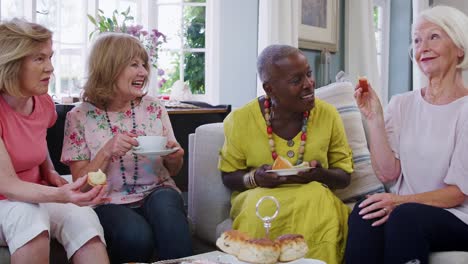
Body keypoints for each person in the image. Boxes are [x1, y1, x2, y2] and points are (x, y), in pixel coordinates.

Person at [345, 5, 468, 264]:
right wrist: (375, 119)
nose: (423, 46)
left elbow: (459, 192)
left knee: (406, 216)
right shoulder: (401, 104)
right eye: (416, 40)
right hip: (407, 209)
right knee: (364, 211)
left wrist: (399, 202)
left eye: (434, 36)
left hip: (458, 216)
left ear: (460, 48)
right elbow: (388, 175)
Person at [61, 32, 193, 263]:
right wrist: (106, 151)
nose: (143, 71)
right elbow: (80, 187)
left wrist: (175, 158)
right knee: (136, 236)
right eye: (133, 64)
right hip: (107, 201)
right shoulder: (79, 116)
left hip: (156, 190)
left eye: (143, 64)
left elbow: (172, 170)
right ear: (109, 68)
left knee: (168, 212)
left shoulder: (154, 108)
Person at [219, 44, 354, 264]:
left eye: (309, 74)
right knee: (259, 203)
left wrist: (318, 174)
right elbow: (229, 176)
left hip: (313, 195)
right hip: (261, 194)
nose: (309, 85)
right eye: (296, 80)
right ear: (270, 89)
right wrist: (254, 178)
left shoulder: (327, 115)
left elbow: (344, 176)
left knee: (318, 199)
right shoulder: (240, 120)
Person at [0, 19, 109, 264]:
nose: (50, 68)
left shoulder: (43, 102)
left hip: (34, 193)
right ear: (12, 62)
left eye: (50, 57)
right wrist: (62, 194)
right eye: (39, 58)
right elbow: (6, 185)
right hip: (6, 199)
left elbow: (36, 142)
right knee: (28, 216)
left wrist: (48, 169)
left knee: (82, 218)